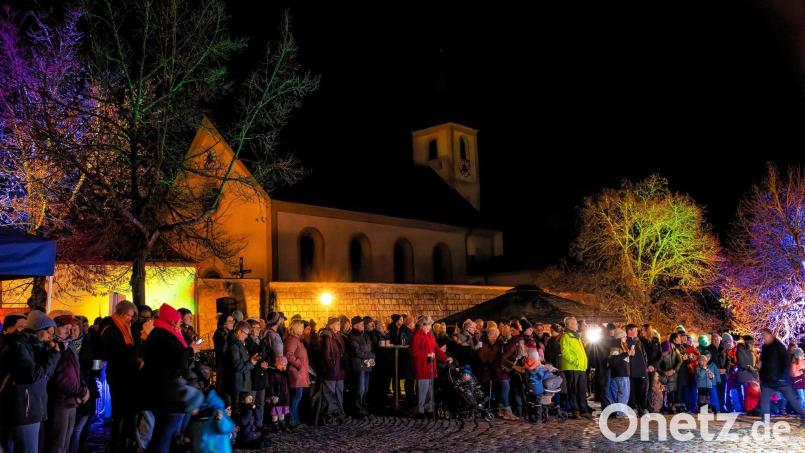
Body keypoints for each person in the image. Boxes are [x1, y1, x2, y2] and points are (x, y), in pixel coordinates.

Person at [141, 303, 201, 453]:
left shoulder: (159, 333)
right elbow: (174, 360)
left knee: (163, 431)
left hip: (164, 391)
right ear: (172, 321)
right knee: (164, 433)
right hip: (168, 392)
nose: (180, 323)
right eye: (178, 320)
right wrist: (190, 351)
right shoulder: (164, 336)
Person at [0, 311, 60, 453]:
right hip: (24, 408)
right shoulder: (20, 346)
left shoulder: (33, 347)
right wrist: (54, 355)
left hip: (29, 407)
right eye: (48, 332)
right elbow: (33, 374)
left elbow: (45, 374)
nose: (50, 337)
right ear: (38, 330)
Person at [101, 300, 142, 452]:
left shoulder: (127, 329)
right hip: (119, 376)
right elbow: (114, 353)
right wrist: (133, 356)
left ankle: (126, 440)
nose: (130, 319)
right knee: (120, 411)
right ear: (120, 314)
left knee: (128, 411)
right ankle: (117, 443)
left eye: (132, 316)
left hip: (129, 375)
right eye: (128, 315)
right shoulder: (111, 330)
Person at [47, 312, 90, 453]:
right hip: (60, 400)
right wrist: (81, 391)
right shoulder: (54, 346)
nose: (69, 331)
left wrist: (83, 388)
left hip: (72, 399)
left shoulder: (68, 345)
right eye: (66, 327)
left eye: (70, 328)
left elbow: (77, 372)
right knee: (58, 443)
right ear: (55, 327)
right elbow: (60, 378)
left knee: (66, 442)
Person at [758, 328, 805, 426]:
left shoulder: (779, 346)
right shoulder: (765, 347)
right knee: (764, 401)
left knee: (793, 401)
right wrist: (761, 377)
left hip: (782, 380)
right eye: (763, 335)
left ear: (770, 335)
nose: (764, 337)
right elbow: (764, 364)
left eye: (765, 335)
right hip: (768, 381)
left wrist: (782, 376)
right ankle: (765, 421)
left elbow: (786, 362)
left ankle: (804, 415)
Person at [409, 315, 451, 418]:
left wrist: (446, 358)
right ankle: (420, 411)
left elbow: (436, 349)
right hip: (422, 366)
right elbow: (413, 352)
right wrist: (426, 354)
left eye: (430, 325)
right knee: (423, 390)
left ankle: (429, 409)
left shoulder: (430, 335)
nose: (430, 327)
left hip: (431, 367)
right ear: (423, 325)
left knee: (430, 390)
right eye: (428, 325)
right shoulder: (417, 335)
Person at [478, 326, 517, 420]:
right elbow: (487, 359)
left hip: (499, 370)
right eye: (488, 333)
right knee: (505, 388)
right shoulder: (492, 344)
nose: (488, 335)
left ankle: (502, 410)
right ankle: (507, 412)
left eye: (490, 333)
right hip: (498, 371)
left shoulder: (498, 343)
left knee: (501, 390)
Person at [559, 317, 591, 419]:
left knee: (582, 390)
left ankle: (583, 410)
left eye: (576, 323)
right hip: (572, 367)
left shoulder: (577, 336)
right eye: (574, 323)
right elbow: (565, 352)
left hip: (581, 367)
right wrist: (575, 361)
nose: (576, 325)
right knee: (573, 390)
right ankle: (575, 410)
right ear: (568, 325)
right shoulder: (566, 336)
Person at [222, 321, 258, 407]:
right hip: (238, 385)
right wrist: (251, 363)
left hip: (242, 383)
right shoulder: (234, 346)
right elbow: (237, 366)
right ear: (239, 332)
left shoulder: (239, 343)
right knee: (238, 411)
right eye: (246, 333)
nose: (246, 336)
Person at [264, 312, 290, 431]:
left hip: (281, 367)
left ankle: (282, 419)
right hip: (275, 368)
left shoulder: (277, 333)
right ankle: (275, 422)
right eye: (280, 319)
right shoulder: (269, 334)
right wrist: (274, 363)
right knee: (276, 395)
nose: (281, 321)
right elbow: (268, 351)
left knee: (283, 394)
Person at [319, 317, 347, 421]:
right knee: (330, 392)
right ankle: (330, 412)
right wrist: (331, 366)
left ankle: (339, 410)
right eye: (337, 324)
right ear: (331, 325)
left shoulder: (338, 336)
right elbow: (326, 354)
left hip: (339, 369)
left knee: (339, 390)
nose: (339, 326)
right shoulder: (327, 336)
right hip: (331, 370)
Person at [346, 316, 375, 417]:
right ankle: (357, 408)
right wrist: (370, 355)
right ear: (355, 325)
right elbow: (357, 352)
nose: (363, 326)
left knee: (366, 388)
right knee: (360, 388)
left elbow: (369, 347)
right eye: (361, 324)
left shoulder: (365, 335)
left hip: (367, 364)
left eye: (363, 324)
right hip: (358, 366)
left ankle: (363, 405)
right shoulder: (352, 336)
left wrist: (369, 354)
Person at [284, 320, 310, 427]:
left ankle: (295, 418)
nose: (303, 329)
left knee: (298, 396)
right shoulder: (292, 340)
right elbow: (289, 354)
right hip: (296, 372)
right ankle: (292, 419)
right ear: (297, 328)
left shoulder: (297, 340)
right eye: (301, 327)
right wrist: (299, 365)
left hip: (300, 372)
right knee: (297, 396)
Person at [245, 319, 267, 430]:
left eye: (259, 327)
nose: (258, 329)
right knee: (251, 403)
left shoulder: (261, 341)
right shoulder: (247, 342)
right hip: (252, 376)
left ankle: (259, 425)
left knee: (260, 403)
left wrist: (266, 362)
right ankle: (250, 426)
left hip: (261, 376)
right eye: (255, 327)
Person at [606, 329, 631, 417]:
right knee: (623, 393)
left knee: (621, 393)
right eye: (624, 336)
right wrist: (627, 354)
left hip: (623, 373)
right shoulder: (616, 345)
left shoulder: (622, 345)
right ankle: (620, 412)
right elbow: (614, 360)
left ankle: (618, 411)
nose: (626, 338)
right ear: (620, 337)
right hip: (620, 373)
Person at [626, 324, 649, 415]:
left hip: (641, 370)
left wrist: (645, 365)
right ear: (630, 331)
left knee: (642, 390)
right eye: (635, 330)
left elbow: (644, 355)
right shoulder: (626, 342)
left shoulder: (639, 341)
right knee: (632, 391)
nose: (637, 332)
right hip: (632, 370)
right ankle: (634, 408)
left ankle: (642, 408)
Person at [658, 339, 683, 413]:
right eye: (663, 352)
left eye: (665, 352)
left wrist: (674, 370)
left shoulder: (675, 350)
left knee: (672, 390)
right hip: (663, 374)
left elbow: (679, 361)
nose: (664, 354)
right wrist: (663, 372)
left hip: (673, 373)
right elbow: (657, 365)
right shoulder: (660, 353)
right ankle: (664, 406)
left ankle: (672, 406)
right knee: (664, 390)